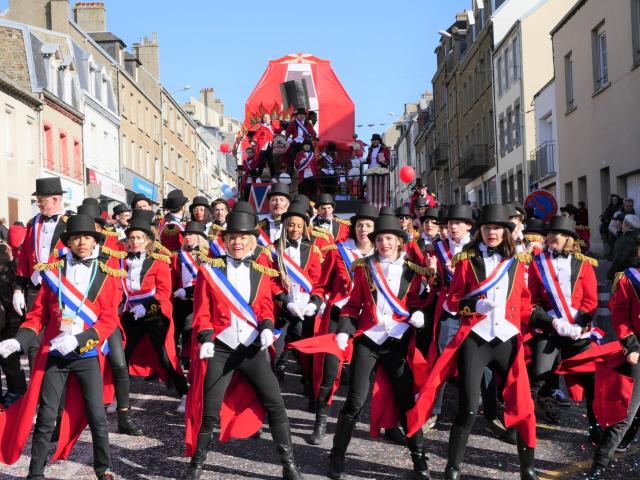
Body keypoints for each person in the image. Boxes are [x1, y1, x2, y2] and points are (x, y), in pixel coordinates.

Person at [407, 204, 537, 480]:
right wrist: (476, 304)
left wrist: (544, 323)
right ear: (480, 231)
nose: (493, 232)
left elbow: (524, 301)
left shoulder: (518, 261)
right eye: (488, 228)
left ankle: (528, 468)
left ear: (507, 232)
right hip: (475, 340)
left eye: (498, 228)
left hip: (507, 340)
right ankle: (452, 468)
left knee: (523, 405)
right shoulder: (466, 260)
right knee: (468, 406)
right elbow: (453, 301)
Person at [184, 210, 304, 480]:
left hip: (251, 349)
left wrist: (266, 328)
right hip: (221, 349)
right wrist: (204, 338)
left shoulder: (261, 272)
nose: (237, 243)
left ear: (252, 241)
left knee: (275, 404)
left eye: (243, 238)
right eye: (232, 238)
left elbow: (264, 308)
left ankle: (289, 465)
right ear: (225, 240)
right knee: (209, 410)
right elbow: (202, 312)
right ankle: (196, 465)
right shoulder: (210, 271)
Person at [0, 214, 120, 479]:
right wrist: (18, 340)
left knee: (97, 415)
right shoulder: (53, 272)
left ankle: (104, 469)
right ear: (68, 242)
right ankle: (35, 473)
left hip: (86, 353)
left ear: (94, 240)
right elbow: (37, 315)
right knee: (46, 417)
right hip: (55, 355)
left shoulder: (107, 274)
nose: (82, 243)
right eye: (76, 238)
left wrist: (78, 340)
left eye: (87, 238)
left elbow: (109, 319)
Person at [326, 213, 432, 480]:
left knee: (406, 400)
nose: (384, 243)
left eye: (389, 238)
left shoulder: (413, 270)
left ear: (399, 241)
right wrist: (344, 330)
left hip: (396, 342)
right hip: (369, 340)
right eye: (380, 239)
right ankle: (337, 455)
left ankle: (419, 460)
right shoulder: (364, 268)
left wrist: (420, 315)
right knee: (355, 401)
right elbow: (353, 305)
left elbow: (419, 304)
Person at [304, 204, 379, 445]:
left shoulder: (383, 255)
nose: (364, 230)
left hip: (369, 321)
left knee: (371, 375)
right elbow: (322, 285)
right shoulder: (338, 252)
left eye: (368, 225)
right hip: (339, 316)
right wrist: (315, 301)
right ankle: (321, 420)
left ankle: (384, 423)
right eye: (360, 225)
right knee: (329, 371)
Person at [527, 215, 600, 443]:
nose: (549, 238)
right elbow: (532, 300)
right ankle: (522, 425)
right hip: (549, 328)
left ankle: (595, 428)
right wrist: (552, 322)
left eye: (555, 234)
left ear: (568, 238)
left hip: (577, 330)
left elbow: (591, 300)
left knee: (591, 380)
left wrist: (578, 325)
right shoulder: (537, 262)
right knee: (537, 378)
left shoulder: (584, 263)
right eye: (548, 234)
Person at [122, 215, 189, 412]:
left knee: (165, 357)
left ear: (148, 240)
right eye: (131, 238)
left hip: (154, 314)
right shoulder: (121, 262)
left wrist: (147, 306)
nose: (134, 242)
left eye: (139, 238)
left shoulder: (158, 262)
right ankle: (120, 397)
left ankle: (184, 393)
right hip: (131, 314)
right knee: (121, 355)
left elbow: (163, 293)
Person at [589, 234, 640, 476]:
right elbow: (620, 317)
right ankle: (599, 465)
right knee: (625, 414)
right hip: (638, 352)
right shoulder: (629, 279)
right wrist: (631, 345)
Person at [272, 202, 324, 404]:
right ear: (285, 225)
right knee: (274, 354)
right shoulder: (274, 248)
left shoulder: (311, 249)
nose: (294, 229)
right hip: (282, 310)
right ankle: (272, 401)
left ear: (305, 228)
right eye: (291, 225)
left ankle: (312, 394)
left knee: (307, 356)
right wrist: (284, 301)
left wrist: (314, 303)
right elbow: (271, 280)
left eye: (299, 226)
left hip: (304, 311)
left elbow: (318, 281)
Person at [13, 178, 68, 367]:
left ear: (55, 199)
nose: (38, 204)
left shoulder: (71, 222)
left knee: (64, 335)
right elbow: (24, 258)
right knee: (34, 342)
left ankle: (62, 388)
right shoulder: (33, 223)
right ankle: (37, 389)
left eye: (41, 200)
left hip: (63, 292)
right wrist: (18, 289)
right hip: (36, 289)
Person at [0, 242, 26, 408]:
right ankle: (16, 393)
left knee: (9, 360)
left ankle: (16, 393)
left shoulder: (10, 271)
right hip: (10, 322)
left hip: (9, 321)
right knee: (10, 361)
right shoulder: (13, 269)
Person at [607, 214, 640, 281]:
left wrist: (610, 274)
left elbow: (619, 260)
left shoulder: (626, 240)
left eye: (623, 222)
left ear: (627, 225)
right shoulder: (636, 236)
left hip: (627, 275)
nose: (622, 225)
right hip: (636, 273)